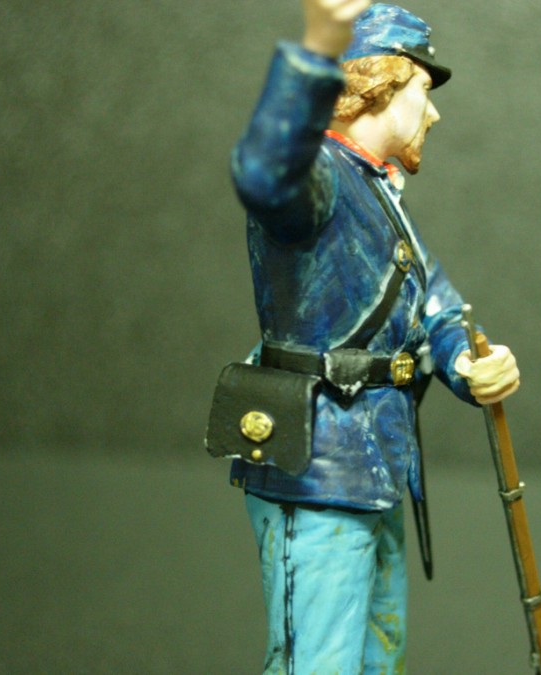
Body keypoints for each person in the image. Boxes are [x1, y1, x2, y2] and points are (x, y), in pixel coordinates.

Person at [222, 2, 520, 672]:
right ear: (379, 86)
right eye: (423, 89)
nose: (433, 113)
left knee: (378, 655)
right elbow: (263, 172)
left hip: (373, 466)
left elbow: (434, 302)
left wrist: (469, 363)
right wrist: (316, 50)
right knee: (319, 661)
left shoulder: (379, 191)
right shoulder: (318, 180)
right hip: (316, 465)